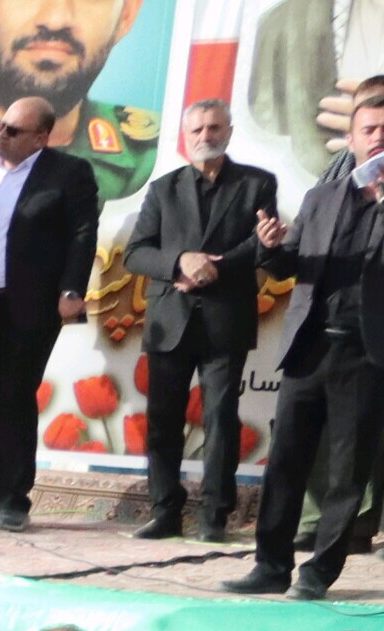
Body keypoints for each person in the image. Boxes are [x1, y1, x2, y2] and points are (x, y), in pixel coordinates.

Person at [227, 73, 384, 598]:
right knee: (286, 461)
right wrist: (269, 247)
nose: (378, 137)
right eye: (368, 129)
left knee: (348, 471)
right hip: (310, 346)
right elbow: (294, 265)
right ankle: (269, 566)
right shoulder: (322, 195)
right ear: (351, 138)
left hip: (368, 351)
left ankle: (319, 571)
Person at [0, 91, 101, 531]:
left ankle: (13, 500)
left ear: (40, 138)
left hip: (25, 307)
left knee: (13, 398)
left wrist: (72, 288)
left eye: (13, 130)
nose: (2, 134)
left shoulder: (68, 173)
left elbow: (83, 233)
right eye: (0, 125)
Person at [124, 99, 279, 540]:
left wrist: (214, 267)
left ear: (228, 132)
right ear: (185, 135)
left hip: (225, 319)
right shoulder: (163, 188)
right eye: (197, 130)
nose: (205, 136)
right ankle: (164, 512)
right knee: (163, 422)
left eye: (214, 128)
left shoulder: (256, 183)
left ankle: (214, 516)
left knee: (220, 419)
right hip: (170, 318)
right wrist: (180, 261)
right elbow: (136, 253)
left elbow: (262, 243)